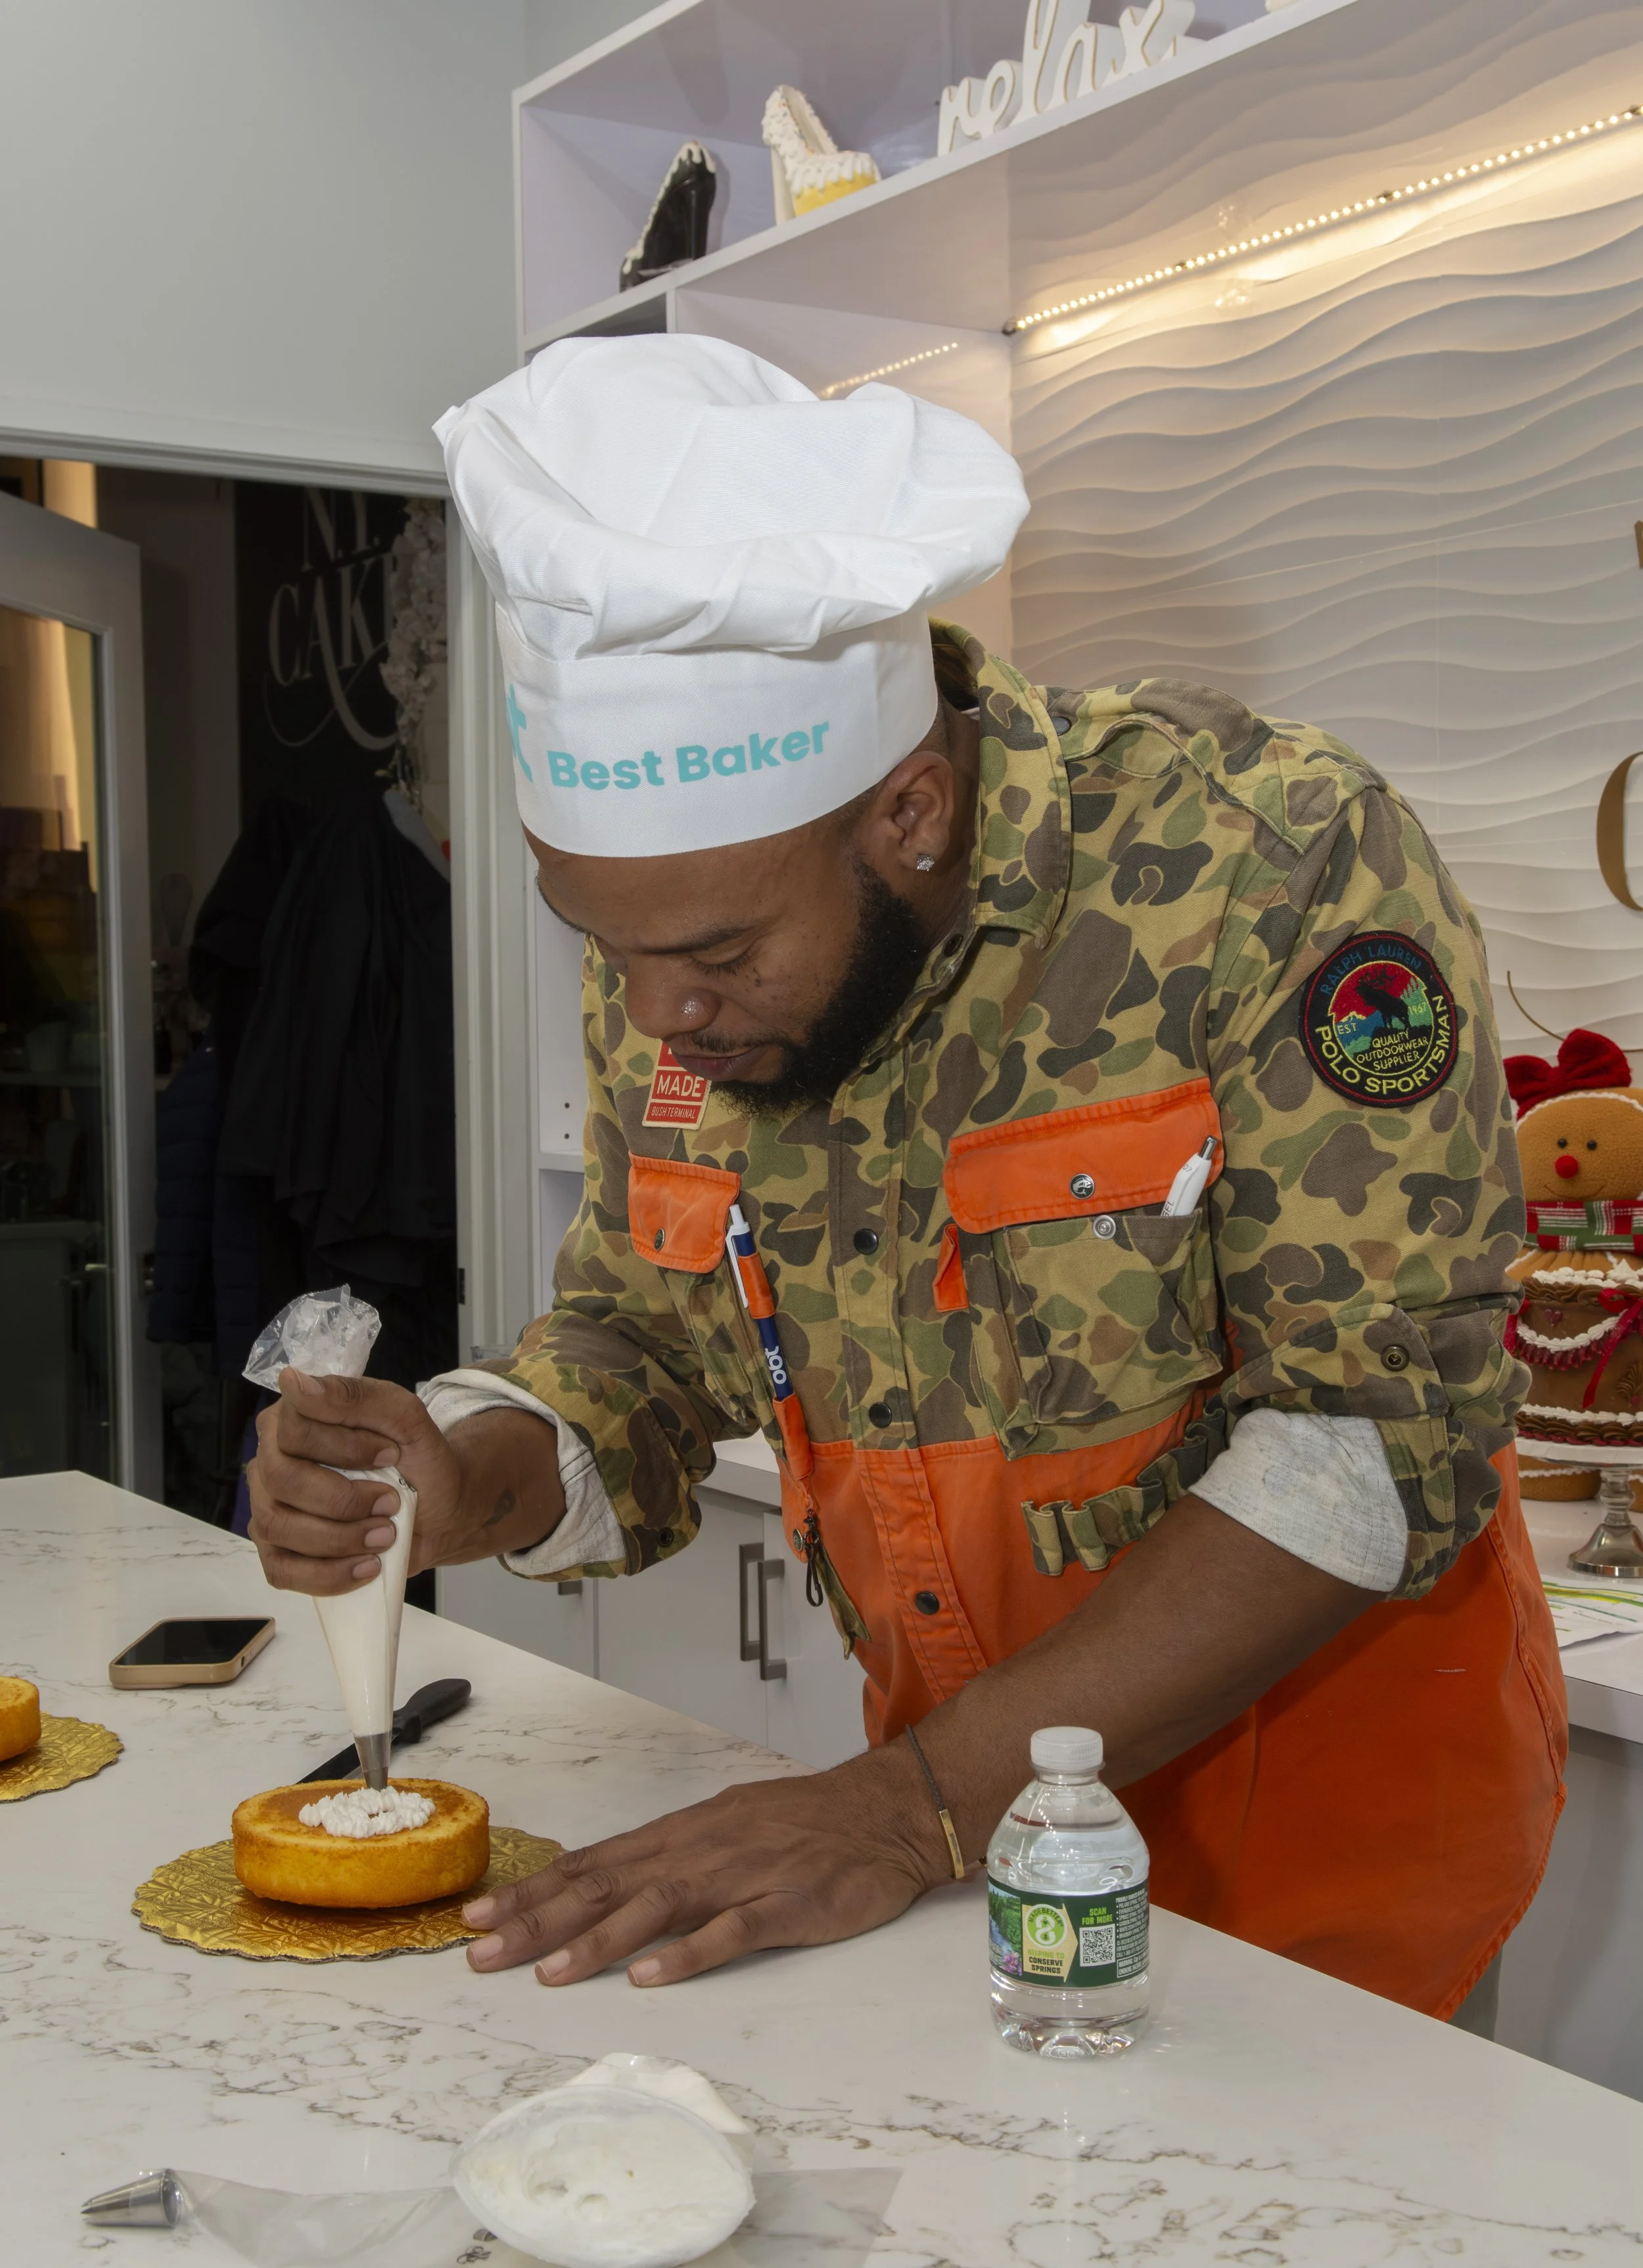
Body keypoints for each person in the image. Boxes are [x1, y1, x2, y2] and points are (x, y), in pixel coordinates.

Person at [248, 336, 1563, 2022]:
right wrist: (470, 1473)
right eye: (605, 943)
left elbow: (1377, 1434)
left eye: (713, 949)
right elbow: (645, 1342)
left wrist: (909, 1799)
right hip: (958, 1846)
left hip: (1319, 1847)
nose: (656, 1010)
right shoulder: (677, 962)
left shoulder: (1262, 861)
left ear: (913, 813)